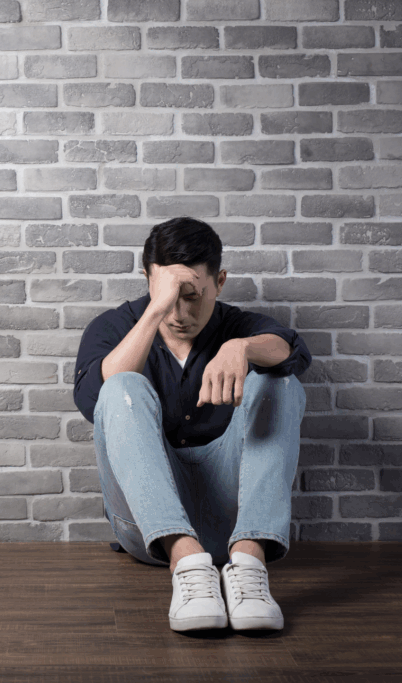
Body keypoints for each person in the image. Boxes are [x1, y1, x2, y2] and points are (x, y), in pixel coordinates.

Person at [73, 217, 311, 632]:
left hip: (234, 522)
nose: (180, 314)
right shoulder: (113, 326)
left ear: (219, 281)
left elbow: (293, 351)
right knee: (120, 385)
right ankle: (187, 564)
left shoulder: (236, 325)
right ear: (148, 279)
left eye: (192, 296)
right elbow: (94, 399)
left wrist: (242, 348)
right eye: (169, 295)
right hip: (151, 535)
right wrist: (155, 310)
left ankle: (250, 566)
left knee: (280, 381)